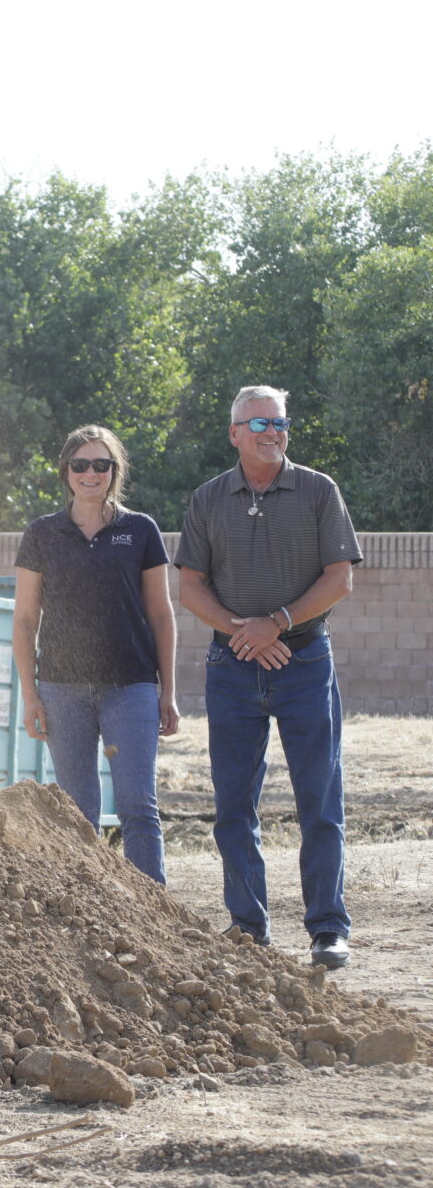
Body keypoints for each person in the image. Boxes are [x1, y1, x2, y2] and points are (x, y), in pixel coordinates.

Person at [175, 385, 360, 969]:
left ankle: (328, 930)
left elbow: (339, 580)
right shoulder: (207, 499)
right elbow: (189, 588)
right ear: (234, 434)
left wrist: (276, 625)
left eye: (279, 421)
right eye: (258, 424)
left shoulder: (318, 490)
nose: (272, 432)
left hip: (305, 663)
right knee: (233, 806)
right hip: (232, 668)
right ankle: (248, 929)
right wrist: (244, 632)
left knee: (319, 803)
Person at [12, 426, 179, 882]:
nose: (91, 473)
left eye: (101, 465)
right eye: (81, 465)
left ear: (114, 471)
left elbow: (161, 615)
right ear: (66, 471)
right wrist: (30, 694)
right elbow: (25, 621)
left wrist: (169, 691)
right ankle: (88, 913)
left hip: (131, 687)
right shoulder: (42, 534)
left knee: (137, 805)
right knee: (77, 812)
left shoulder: (140, 530)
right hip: (62, 690)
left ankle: (154, 913)